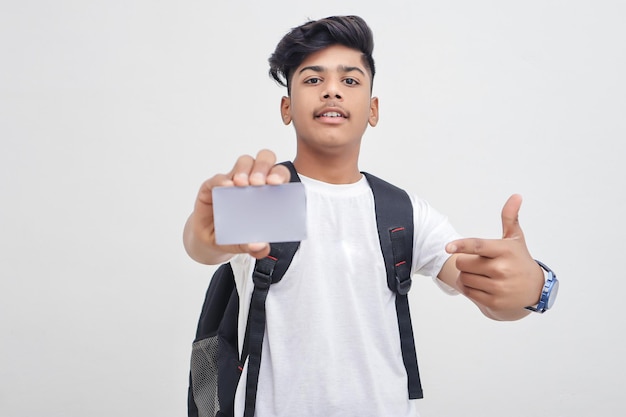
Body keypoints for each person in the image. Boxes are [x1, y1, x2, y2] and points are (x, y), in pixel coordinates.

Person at [184, 15, 549, 417]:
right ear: (286, 108)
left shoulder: (400, 211)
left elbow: (490, 292)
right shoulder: (271, 194)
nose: (332, 91)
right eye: (312, 79)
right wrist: (206, 230)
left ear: (373, 109)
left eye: (350, 81)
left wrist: (534, 288)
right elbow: (206, 246)